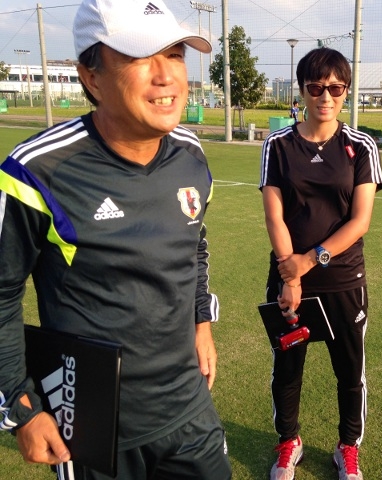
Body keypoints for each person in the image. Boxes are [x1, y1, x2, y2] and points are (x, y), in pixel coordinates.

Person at [0, 0, 232, 479]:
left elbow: (195, 244)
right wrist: (21, 408)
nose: (166, 75)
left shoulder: (190, 155)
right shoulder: (36, 170)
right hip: (92, 427)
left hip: (188, 408)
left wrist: (200, 321)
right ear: (92, 76)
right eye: (140, 57)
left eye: (174, 54)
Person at [259, 47, 382, 480]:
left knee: (349, 372)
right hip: (289, 282)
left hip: (344, 280)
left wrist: (308, 262)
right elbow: (274, 215)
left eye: (335, 87)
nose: (325, 96)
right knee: (288, 367)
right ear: (303, 91)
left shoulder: (361, 145)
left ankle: (348, 447)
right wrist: (288, 273)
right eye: (316, 87)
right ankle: (288, 441)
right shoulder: (278, 145)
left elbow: (360, 220)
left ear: (345, 91)